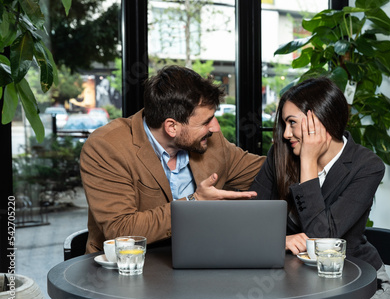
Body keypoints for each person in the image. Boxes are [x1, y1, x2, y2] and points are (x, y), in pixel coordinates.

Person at [80, 65, 265, 253]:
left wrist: (294, 137)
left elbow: (269, 172)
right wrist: (195, 203)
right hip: (130, 268)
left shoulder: (211, 142)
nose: (215, 128)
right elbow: (121, 230)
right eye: (206, 121)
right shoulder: (107, 147)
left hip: (201, 260)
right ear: (171, 127)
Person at [250, 77, 390, 299]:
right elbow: (250, 219)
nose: (286, 134)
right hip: (294, 280)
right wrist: (279, 240)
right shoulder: (280, 154)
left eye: (292, 123)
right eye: (284, 124)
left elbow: (322, 239)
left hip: (357, 283)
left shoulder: (366, 165)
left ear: (318, 121)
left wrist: (308, 160)